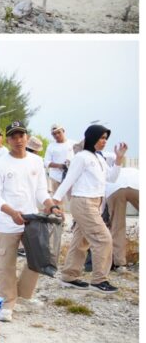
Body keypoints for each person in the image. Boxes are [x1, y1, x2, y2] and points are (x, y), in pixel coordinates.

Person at [0, 121, 54, 322]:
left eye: (21, 135)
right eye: (13, 136)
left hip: (31, 220)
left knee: (38, 259)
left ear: (27, 137)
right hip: (6, 222)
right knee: (5, 265)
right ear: (8, 140)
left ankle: (24, 295)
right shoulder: (0, 164)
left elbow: (41, 190)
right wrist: (10, 212)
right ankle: (8, 303)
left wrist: (51, 205)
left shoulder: (36, 161)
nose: (18, 140)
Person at [50, 125, 127, 294]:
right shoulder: (82, 157)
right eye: (101, 138)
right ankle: (99, 280)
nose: (104, 141)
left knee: (81, 241)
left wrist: (119, 159)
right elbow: (69, 179)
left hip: (95, 203)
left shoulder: (98, 158)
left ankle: (69, 276)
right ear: (92, 138)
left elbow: (111, 178)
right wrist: (54, 201)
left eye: (106, 138)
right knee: (104, 239)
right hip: (83, 202)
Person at [104, 166, 139, 271]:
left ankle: (120, 264)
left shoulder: (109, 175)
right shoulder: (136, 171)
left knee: (117, 226)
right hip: (137, 186)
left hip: (114, 190)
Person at [44, 124, 74, 197]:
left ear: (63, 131)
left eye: (58, 132)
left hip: (71, 176)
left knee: (73, 199)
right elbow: (46, 162)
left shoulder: (73, 143)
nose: (57, 135)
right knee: (57, 201)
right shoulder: (51, 146)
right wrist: (59, 166)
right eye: (54, 134)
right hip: (55, 178)